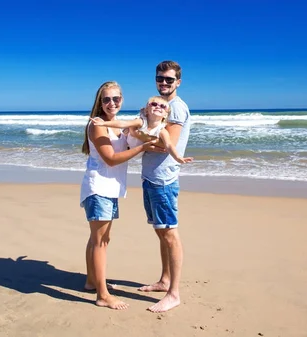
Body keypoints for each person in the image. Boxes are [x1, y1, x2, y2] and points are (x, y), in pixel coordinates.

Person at [80, 81, 158, 310]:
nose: (111, 103)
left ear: (122, 100)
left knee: (99, 239)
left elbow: (136, 133)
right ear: (100, 101)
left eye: (116, 99)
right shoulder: (98, 126)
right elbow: (112, 158)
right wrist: (142, 149)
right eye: (106, 99)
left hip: (110, 188)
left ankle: (91, 281)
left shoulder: (117, 126)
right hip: (98, 188)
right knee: (100, 241)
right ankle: (102, 296)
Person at [130, 60, 191, 313]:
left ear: (178, 82)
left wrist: (139, 137)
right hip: (151, 177)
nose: (163, 83)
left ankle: (174, 293)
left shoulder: (174, 108)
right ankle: (165, 280)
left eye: (169, 79)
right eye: (160, 78)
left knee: (169, 233)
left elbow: (167, 145)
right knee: (160, 230)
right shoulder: (159, 104)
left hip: (163, 180)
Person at [91, 96, 193, 165]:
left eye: (163, 106)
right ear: (147, 110)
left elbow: (169, 145)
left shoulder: (162, 130)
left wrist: (178, 158)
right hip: (129, 148)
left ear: (166, 114)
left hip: (139, 152)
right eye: (154, 104)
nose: (158, 106)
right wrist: (104, 124)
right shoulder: (141, 122)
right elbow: (123, 123)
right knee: (126, 130)